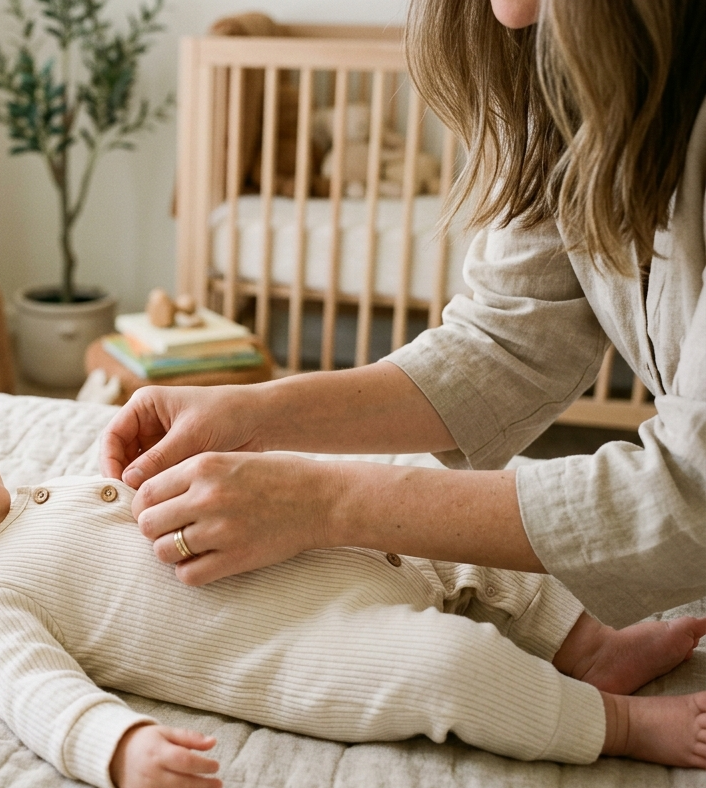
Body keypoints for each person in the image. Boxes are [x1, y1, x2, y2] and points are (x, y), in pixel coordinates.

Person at [0, 402, 706, 788]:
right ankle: (620, 724)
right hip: (319, 647)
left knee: (443, 510)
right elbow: (37, 697)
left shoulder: (32, 497)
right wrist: (120, 750)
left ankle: (589, 644)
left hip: (332, 546)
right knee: (448, 668)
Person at [99, 0, 706, 630]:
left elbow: (693, 495)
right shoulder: (567, 83)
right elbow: (507, 343)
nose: (508, 14)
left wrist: (323, 500)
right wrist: (256, 412)